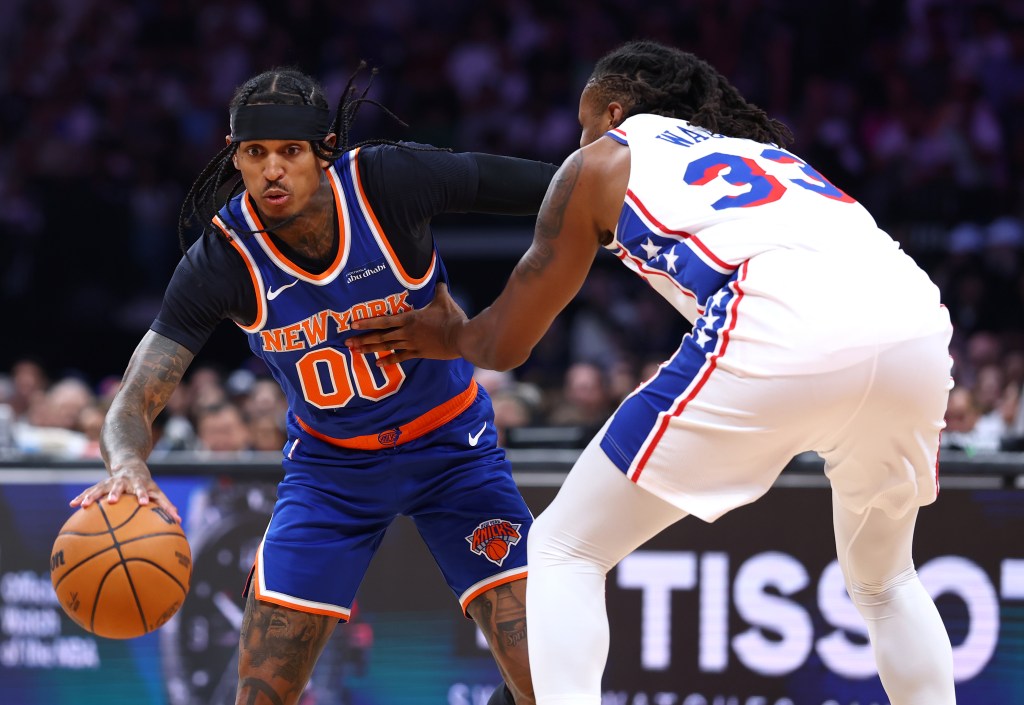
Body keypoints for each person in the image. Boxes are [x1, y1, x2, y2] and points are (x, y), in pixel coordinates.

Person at [348, 41, 958, 704]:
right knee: (886, 580)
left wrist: (446, 332)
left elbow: (505, 343)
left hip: (781, 320)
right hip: (915, 320)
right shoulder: (769, 155)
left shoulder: (601, 161)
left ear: (613, 113)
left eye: (584, 124)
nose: (577, 142)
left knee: (563, 548)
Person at [72, 66, 557, 705]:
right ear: (234, 156)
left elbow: (555, 190)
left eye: (291, 152)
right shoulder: (222, 259)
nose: (273, 170)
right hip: (332, 473)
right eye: (256, 153)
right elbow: (134, 397)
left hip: (452, 450)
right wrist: (129, 461)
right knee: (261, 693)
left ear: (323, 150)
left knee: (547, 678)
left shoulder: (387, 183)